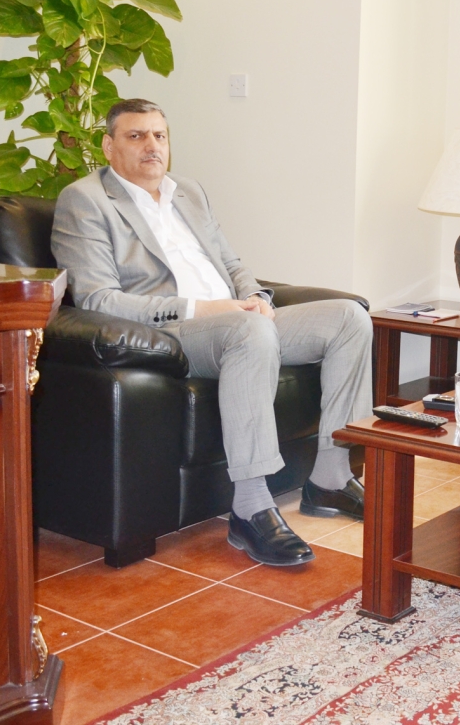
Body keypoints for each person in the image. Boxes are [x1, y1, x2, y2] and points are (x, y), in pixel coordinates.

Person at [51, 98, 372, 567]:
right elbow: (99, 300)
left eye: (159, 136)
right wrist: (206, 308)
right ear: (108, 146)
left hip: (237, 320)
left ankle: (330, 478)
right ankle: (251, 508)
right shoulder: (85, 200)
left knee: (350, 318)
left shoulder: (188, 192)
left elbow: (231, 263)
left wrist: (255, 297)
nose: (151, 146)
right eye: (136, 136)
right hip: (174, 332)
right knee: (249, 330)